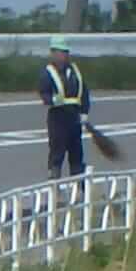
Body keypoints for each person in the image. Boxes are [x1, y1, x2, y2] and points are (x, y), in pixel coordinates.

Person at [41, 41, 93, 180]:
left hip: (74, 118)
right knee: (57, 153)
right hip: (58, 118)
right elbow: (44, 93)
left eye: (65, 52)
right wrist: (52, 100)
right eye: (60, 52)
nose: (63, 55)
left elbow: (84, 92)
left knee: (76, 154)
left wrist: (84, 112)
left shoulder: (75, 71)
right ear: (53, 53)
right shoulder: (48, 73)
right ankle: (54, 188)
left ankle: (79, 189)